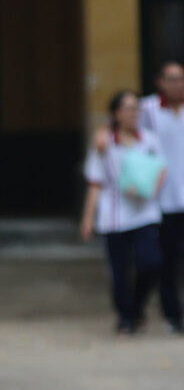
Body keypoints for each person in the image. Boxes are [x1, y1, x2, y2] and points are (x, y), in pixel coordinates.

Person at [81, 91, 167, 334]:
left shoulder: (149, 140)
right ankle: (126, 318)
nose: (133, 113)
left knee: (150, 262)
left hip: (144, 212)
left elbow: (161, 169)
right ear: (116, 113)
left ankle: (137, 307)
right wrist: (88, 218)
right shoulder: (104, 143)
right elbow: (95, 182)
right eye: (127, 108)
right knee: (119, 272)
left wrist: (149, 188)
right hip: (114, 215)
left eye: (136, 108)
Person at [139, 61, 184, 332]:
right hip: (163, 200)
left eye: (181, 78)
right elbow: (118, 126)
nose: (178, 84)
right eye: (172, 78)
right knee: (167, 262)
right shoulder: (148, 109)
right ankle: (172, 316)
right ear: (160, 82)